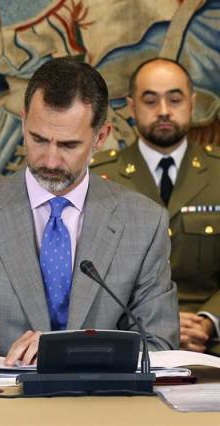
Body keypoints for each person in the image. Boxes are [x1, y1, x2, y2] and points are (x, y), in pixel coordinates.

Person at [0, 57, 179, 366]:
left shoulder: (144, 223)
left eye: (68, 145)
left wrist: (68, 351)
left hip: (101, 405)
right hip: (1, 407)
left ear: (100, 138)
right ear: (23, 121)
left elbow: (160, 348)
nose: (50, 160)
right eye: (38, 139)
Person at [91, 58, 220, 355]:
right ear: (132, 106)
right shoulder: (98, 179)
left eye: (175, 99)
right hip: (129, 342)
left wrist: (207, 321)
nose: (163, 110)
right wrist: (158, 326)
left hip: (209, 344)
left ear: (193, 103)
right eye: (150, 100)